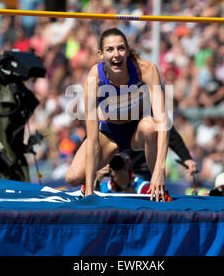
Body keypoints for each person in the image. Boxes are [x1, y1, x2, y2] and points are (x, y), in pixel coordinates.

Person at [65, 28, 170, 201]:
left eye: (121, 48)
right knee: (73, 178)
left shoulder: (147, 70)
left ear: (128, 51)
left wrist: (159, 170)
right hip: (109, 133)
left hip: (137, 131)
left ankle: (158, 188)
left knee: (151, 127)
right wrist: (90, 191)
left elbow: (163, 122)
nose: (116, 54)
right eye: (110, 49)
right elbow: (92, 139)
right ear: (100, 54)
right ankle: (92, 182)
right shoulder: (94, 79)